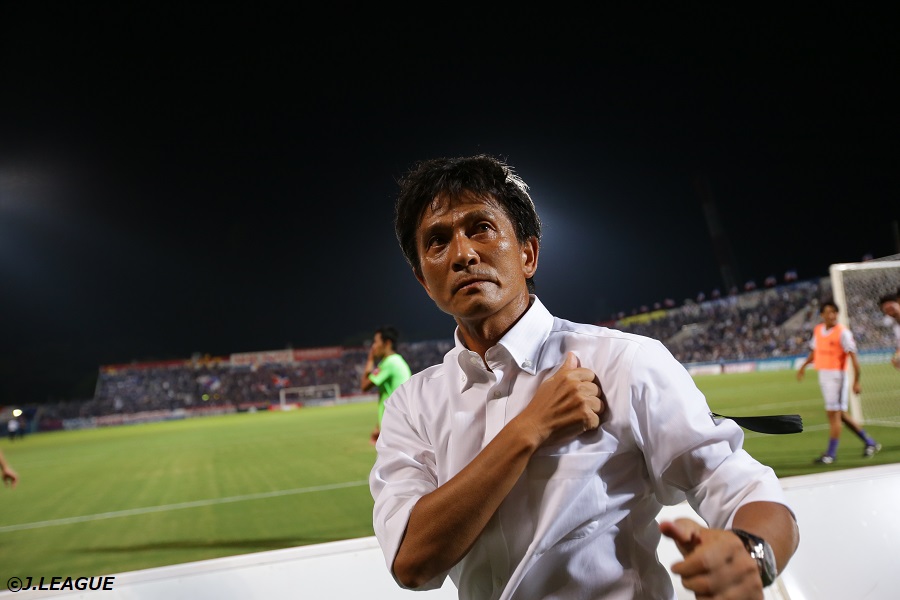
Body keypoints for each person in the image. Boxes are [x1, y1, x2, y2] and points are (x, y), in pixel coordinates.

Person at [370, 154, 799, 599]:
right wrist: (529, 428)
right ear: (424, 281)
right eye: (438, 241)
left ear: (528, 254)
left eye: (481, 227)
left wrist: (750, 554)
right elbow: (412, 563)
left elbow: (738, 485)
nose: (463, 254)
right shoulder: (413, 405)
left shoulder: (624, 362)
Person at [797, 300, 880, 463]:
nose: (832, 315)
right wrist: (804, 366)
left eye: (834, 312)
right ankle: (870, 442)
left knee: (833, 415)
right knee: (840, 415)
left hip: (837, 377)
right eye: (828, 312)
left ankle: (831, 454)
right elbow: (815, 352)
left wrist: (856, 381)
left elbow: (854, 358)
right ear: (822, 315)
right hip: (824, 375)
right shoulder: (818, 330)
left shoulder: (843, 333)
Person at [361, 326, 412, 444]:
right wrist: (379, 425)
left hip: (395, 428)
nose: (373, 346)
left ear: (387, 343)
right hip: (399, 425)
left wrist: (370, 359)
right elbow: (392, 396)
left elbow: (364, 386)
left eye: (376, 342)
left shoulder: (389, 363)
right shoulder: (398, 361)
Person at [878, 291, 900, 370]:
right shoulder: (896, 325)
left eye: (891, 306)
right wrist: (897, 356)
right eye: (886, 309)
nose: (888, 309)